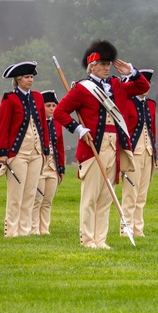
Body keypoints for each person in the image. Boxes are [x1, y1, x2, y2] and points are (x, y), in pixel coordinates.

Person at [53, 40, 148, 249]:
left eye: (108, 64)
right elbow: (59, 112)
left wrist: (131, 71)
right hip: (93, 146)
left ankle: (100, 240)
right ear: (92, 65)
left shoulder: (117, 85)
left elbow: (143, 87)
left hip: (115, 147)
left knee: (106, 197)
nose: (106, 68)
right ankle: (87, 240)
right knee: (90, 198)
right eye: (103, 64)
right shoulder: (81, 88)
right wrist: (78, 129)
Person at [0, 61, 47, 238]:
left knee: (30, 193)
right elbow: (3, 126)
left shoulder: (39, 97)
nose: (30, 80)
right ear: (18, 80)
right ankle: (11, 230)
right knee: (16, 194)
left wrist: (45, 149)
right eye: (26, 77)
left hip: (36, 152)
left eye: (31, 77)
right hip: (17, 153)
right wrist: (2, 152)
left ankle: (24, 230)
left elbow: (42, 126)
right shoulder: (9, 99)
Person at [122, 69, 156, 238]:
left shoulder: (151, 104)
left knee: (141, 195)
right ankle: (126, 228)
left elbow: (152, 129)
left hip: (148, 152)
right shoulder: (127, 103)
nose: (146, 87)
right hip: (133, 152)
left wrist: (154, 152)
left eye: (147, 83)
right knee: (130, 193)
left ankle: (138, 229)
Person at [32, 90, 65, 235]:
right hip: (39, 166)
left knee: (47, 201)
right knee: (36, 200)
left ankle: (44, 229)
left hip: (53, 167)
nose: (52, 108)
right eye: (48, 105)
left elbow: (60, 146)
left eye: (54, 105)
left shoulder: (57, 124)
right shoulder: (35, 123)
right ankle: (33, 229)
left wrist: (61, 168)